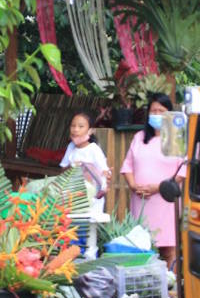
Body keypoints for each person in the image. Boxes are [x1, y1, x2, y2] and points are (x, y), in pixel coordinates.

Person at [120, 93, 186, 266]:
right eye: (153, 111)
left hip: (165, 200)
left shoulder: (176, 137)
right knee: (140, 246)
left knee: (168, 248)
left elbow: (184, 169)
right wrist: (133, 186)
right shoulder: (140, 137)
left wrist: (159, 187)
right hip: (141, 200)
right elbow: (127, 166)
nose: (157, 115)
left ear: (170, 114)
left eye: (161, 111)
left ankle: (170, 288)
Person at [59, 111, 110, 218]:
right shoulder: (71, 147)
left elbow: (104, 172)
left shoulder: (93, 149)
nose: (76, 129)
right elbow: (63, 170)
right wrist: (72, 167)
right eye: (73, 126)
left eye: (81, 126)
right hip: (73, 196)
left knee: (88, 227)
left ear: (90, 130)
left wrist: (102, 189)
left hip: (92, 198)